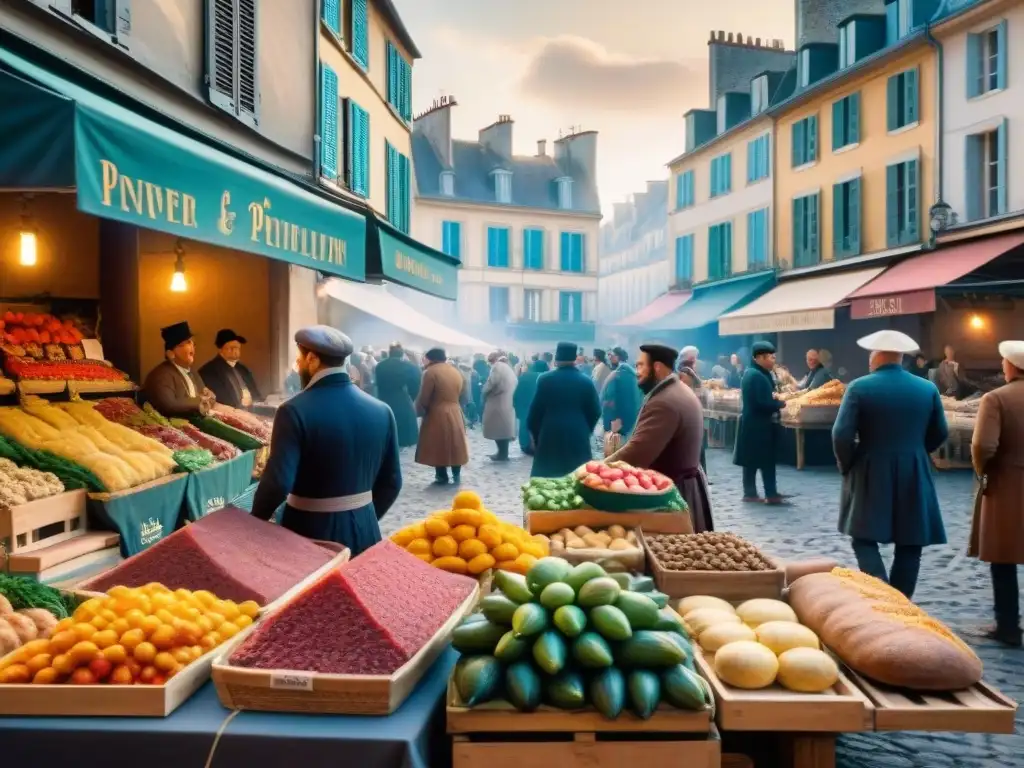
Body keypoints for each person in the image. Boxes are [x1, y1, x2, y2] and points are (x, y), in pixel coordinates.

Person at [250, 326, 402, 555]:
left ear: (311, 359)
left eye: (299, 358)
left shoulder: (293, 410)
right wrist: (364, 515)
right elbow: (392, 481)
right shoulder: (382, 410)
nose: (298, 365)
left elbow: (278, 483)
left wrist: (254, 523)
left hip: (309, 531)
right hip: (366, 531)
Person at [832, 330, 948, 600]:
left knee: (862, 535)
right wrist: (917, 451)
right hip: (914, 468)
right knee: (911, 541)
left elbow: (841, 434)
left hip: (870, 465)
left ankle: (882, 595)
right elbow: (940, 431)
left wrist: (847, 463)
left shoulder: (859, 387)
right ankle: (902, 601)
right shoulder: (927, 388)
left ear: (878, 356)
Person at [607, 344, 713, 532]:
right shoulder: (675, 389)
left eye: (640, 366)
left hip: (673, 495)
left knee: (674, 556)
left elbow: (637, 452)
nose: (637, 372)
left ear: (657, 367)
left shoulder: (665, 401)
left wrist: (597, 469)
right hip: (680, 487)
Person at [967, 340, 1024, 647]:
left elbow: (982, 446)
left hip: (1008, 483)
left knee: (1004, 557)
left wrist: (983, 471)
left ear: (1011, 366)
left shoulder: (996, 398)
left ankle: (1008, 626)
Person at [527, 341, 601, 477]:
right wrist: (585, 429)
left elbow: (535, 413)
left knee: (548, 480)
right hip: (577, 435)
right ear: (574, 359)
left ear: (557, 358)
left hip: (550, 433)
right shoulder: (586, 381)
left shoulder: (545, 379)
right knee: (577, 478)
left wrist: (537, 437)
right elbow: (596, 411)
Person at [733, 341, 787, 504]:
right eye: (771, 357)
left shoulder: (755, 373)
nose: (773, 361)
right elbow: (761, 403)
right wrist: (779, 404)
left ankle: (750, 493)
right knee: (766, 461)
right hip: (759, 426)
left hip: (754, 424)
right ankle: (770, 494)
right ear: (760, 358)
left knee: (751, 461)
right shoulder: (756, 376)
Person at [414, 347, 470, 485]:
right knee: (456, 443)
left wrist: (419, 410)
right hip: (455, 410)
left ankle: (441, 475)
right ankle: (456, 473)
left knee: (438, 444)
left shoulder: (430, 373)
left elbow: (424, 396)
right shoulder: (456, 371)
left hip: (436, 412)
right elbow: (464, 393)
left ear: (432, 358)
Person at [143, 322, 215, 417]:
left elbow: (206, 396)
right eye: (187, 343)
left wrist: (209, 396)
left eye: (192, 342)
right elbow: (170, 406)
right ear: (170, 354)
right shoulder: (161, 375)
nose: (193, 346)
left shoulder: (192, 372)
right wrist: (201, 400)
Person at [198, 329, 263, 410]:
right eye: (231, 348)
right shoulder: (208, 371)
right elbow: (218, 401)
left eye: (237, 348)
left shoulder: (243, 369)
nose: (235, 351)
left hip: (253, 411)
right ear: (220, 349)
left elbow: (256, 395)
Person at [373, 343, 421, 448]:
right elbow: (415, 385)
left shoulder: (380, 366)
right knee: (402, 431)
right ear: (401, 353)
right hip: (402, 400)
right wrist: (411, 398)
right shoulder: (409, 366)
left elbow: (377, 384)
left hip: (384, 398)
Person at [482, 352, 517, 461]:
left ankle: (502, 454)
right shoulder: (508, 368)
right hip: (506, 401)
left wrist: (484, 391)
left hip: (497, 402)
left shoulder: (497, 367)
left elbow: (492, 382)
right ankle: (503, 453)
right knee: (503, 430)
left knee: (498, 429)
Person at [678, 345, 708, 474]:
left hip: (697, 412)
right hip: (692, 413)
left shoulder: (690, 372)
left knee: (699, 447)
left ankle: (702, 474)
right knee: (696, 447)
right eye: (695, 357)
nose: (696, 360)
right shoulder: (685, 372)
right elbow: (688, 391)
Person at [602, 347, 642, 440]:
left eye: (612, 355)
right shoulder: (631, 373)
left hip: (617, 419)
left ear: (618, 357)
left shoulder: (619, 374)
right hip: (630, 417)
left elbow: (611, 397)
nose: (610, 358)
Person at [513, 358, 548, 456]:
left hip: (525, 407)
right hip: (541, 408)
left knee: (524, 425)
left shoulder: (524, 377)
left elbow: (516, 393)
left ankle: (526, 446)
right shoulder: (547, 377)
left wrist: (516, 406)